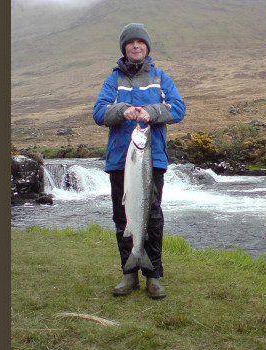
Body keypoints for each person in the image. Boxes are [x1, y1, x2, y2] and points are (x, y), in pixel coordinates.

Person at [93, 23, 186, 299]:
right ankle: (129, 272)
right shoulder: (113, 81)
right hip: (119, 162)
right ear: (124, 48)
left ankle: (153, 276)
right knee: (123, 217)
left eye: (140, 42)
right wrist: (124, 111)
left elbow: (178, 108)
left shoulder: (160, 77)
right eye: (130, 42)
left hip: (151, 159)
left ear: (147, 47)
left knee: (153, 217)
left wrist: (151, 112)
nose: (136, 46)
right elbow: (99, 112)